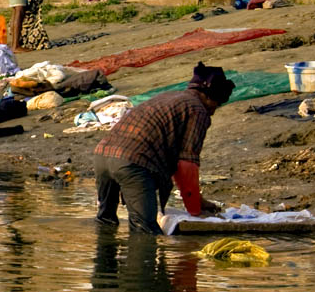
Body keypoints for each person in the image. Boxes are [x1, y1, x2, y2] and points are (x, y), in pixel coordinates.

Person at [93, 62, 232, 234]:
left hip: (102, 154)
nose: (214, 110)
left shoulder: (169, 97)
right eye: (217, 104)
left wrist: (199, 200)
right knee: (144, 230)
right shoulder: (197, 110)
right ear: (209, 96)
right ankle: (144, 261)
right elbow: (186, 164)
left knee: (105, 221)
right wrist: (196, 211)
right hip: (133, 162)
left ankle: (104, 258)